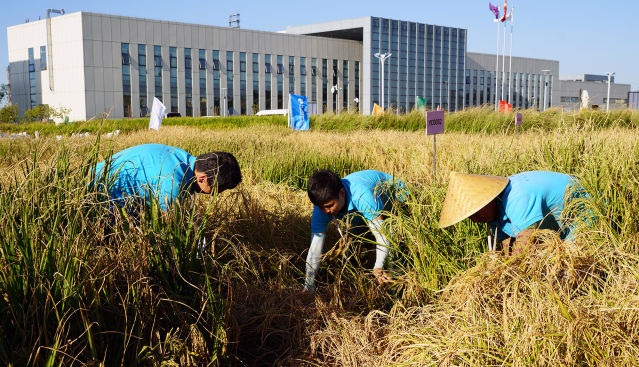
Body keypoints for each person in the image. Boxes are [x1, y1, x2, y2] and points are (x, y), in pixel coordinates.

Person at [438, 170, 590, 254]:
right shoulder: (494, 212)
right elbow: (507, 247)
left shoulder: (517, 197)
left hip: (583, 216)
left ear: (487, 199)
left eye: (476, 214)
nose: (476, 220)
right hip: (557, 225)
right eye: (470, 217)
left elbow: (527, 242)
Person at [304, 169, 407, 291]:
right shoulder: (321, 209)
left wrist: (378, 267)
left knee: (393, 253)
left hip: (397, 201)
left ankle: (399, 291)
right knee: (353, 249)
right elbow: (315, 249)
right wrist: (308, 286)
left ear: (342, 193)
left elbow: (382, 235)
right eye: (321, 207)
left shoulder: (362, 196)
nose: (327, 211)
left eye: (330, 206)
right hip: (362, 213)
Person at [93, 143, 242, 211]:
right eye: (218, 189)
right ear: (202, 179)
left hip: (95, 179)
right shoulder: (173, 184)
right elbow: (166, 232)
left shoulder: (181, 158)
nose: (217, 194)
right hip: (96, 196)